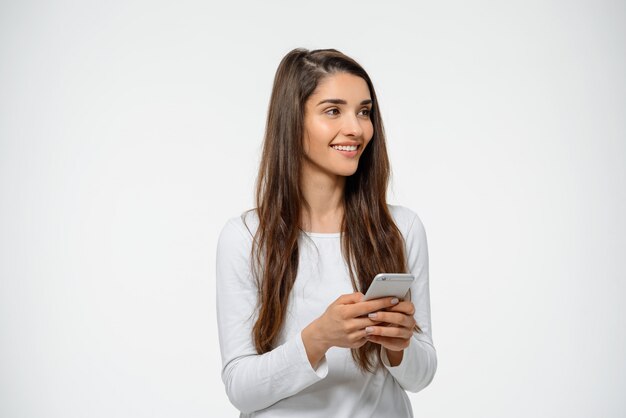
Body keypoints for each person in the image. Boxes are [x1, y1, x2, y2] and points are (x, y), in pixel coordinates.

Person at [216, 48, 437, 417]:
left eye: (364, 111)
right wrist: (318, 337)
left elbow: (422, 375)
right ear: (293, 120)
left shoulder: (401, 228)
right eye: (333, 110)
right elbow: (240, 388)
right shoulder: (246, 237)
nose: (356, 128)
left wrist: (399, 347)